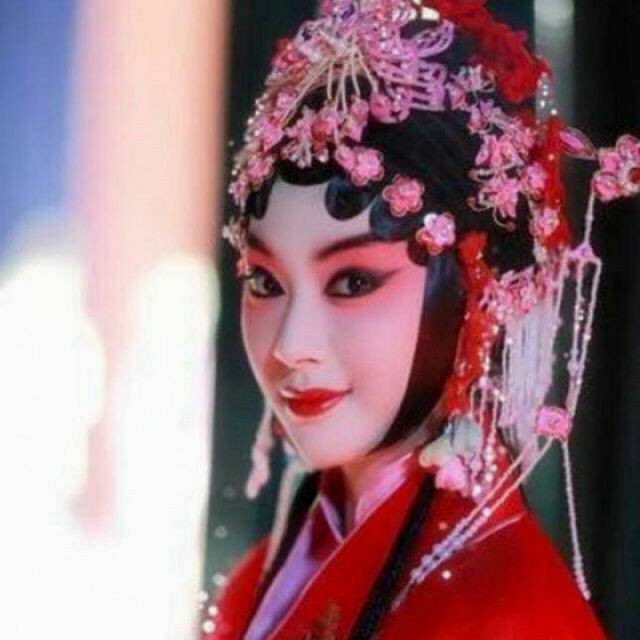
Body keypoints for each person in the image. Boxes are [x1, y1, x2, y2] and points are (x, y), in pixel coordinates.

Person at [202, 1, 640, 637]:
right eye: (265, 282)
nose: (291, 345)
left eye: (353, 282)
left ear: (477, 288)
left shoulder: (504, 616)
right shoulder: (268, 571)